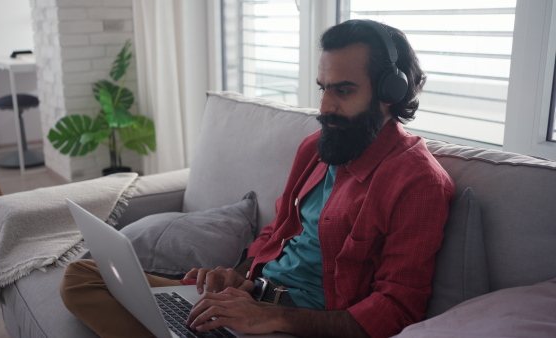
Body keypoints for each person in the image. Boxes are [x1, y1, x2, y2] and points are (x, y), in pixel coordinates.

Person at [61, 19, 455, 338]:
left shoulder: (417, 181)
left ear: (391, 92)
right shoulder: (318, 147)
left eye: (344, 91)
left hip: (301, 325)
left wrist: (273, 318)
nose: (325, 106)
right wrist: (238, 274)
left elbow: (396, 310)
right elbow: (277, 232)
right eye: (323, 88)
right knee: (83, 276)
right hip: (251, 298)